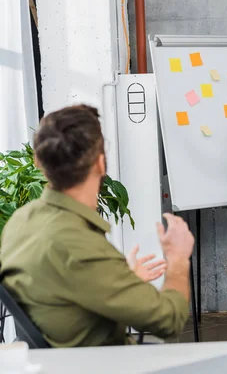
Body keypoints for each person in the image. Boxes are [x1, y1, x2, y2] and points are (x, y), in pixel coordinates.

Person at [0, 104, 194, 347]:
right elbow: (169, 321)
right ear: (100, 163)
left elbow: (60, 296)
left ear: (38, 160)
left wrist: (120, 279)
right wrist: (178, 259)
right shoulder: (79, 245)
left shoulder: (20, 221)